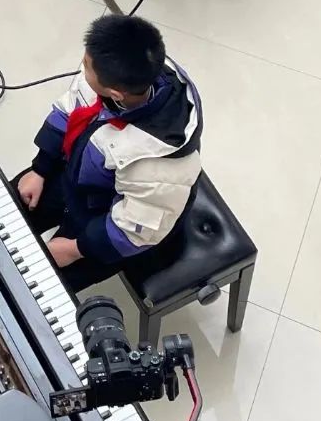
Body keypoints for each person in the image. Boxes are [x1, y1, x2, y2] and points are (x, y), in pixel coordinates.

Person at [12, 15, 202, 288]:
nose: (82, 69)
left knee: (32, 285)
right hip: (81, 174)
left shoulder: (159, 168)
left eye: (86, 67)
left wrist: (75, 249)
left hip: (113, 219)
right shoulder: (126, 75)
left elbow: (133, 230)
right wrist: (40, 168)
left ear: (115, 94)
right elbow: (71, 106)